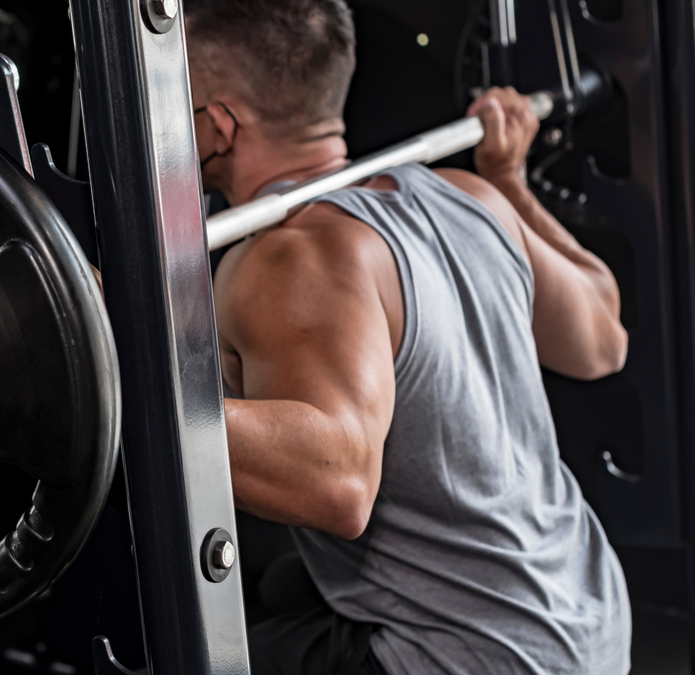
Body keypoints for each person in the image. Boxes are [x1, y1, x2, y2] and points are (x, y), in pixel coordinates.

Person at [184, 0, 632, 673]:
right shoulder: (468, 196)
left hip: (479, 657)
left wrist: (124, 365)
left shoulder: (284, 259)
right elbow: (603, 336)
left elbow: (337, 484)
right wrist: (508, 181)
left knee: (185, 654)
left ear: (219, 127)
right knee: (280, 591)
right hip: (590, 621)